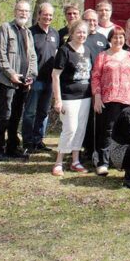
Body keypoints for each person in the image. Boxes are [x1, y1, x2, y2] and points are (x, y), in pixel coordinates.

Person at [0, 0, 38, 161]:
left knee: (16, 115)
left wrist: (31, 76)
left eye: (26, 11)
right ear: (15, 11)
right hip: (7, 81)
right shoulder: (5, 28)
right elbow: (1, 55)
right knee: (5, 114)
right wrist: (11, 74)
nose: (23, 14)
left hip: (23, 82)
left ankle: (12, 147)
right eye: (21, 10)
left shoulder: (28, 33)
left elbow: (32, 56)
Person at [91, 25, 130, 176]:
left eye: (121, 37)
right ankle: (103, 163)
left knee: (126, 131)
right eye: (115, 37)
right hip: (109, 98)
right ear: (110, 39)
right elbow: (96, 77)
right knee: (107, 131)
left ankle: (121, 161)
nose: (118, 40)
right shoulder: (103, 56)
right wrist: (97, 96)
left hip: (128, 99)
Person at [51, 21, 93, 176]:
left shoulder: (87, 50)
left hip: (85, 97)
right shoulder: (64, 50)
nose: (81, 35)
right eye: (79, 32)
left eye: (84, 32)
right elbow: (55, 75)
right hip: (69, 97)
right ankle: (59, 162)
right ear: (72, 33)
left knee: (80, 129)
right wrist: (58, 99)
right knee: (70, 128)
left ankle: (75, 161)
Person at [23, 2, 59, 154]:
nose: (48, 17)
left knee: (43, 112)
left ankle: (38, 140)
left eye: (50, 15)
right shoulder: (30, 32)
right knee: (30, 112)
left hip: (50, 80)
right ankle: (27, 142)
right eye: (45, 14)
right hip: (35, 79)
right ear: (39, 15)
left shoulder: (55, 34)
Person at [81, 8, 108, 163]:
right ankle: (85, 150)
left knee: (97, 120)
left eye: (94, 20)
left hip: (98, 85)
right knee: (85, 119)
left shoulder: (102, 39)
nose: (91, 23)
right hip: (83, 84)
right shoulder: (80, 36)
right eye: (88, 20)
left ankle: (95, 150)